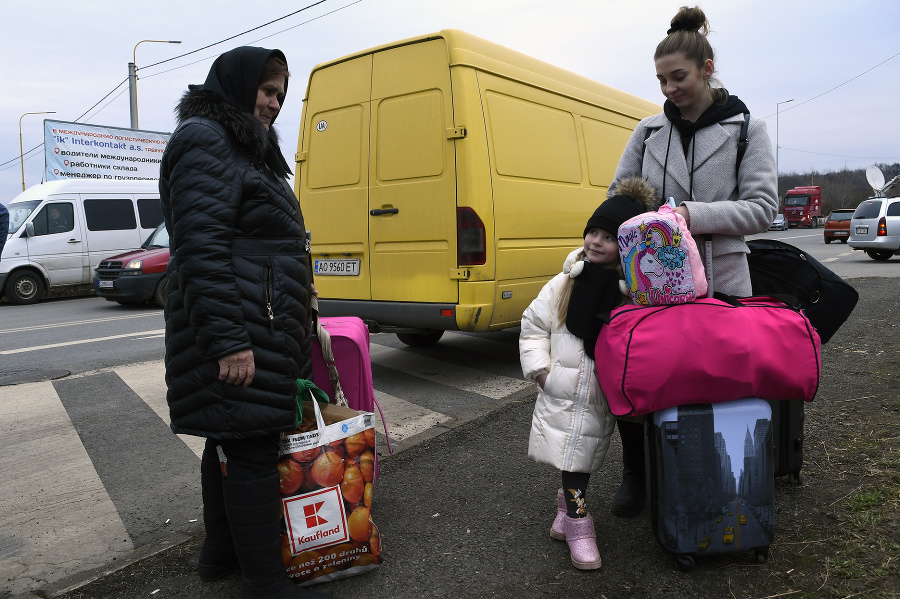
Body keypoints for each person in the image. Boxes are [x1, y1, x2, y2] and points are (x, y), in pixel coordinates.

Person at [159, 46, 332, 599]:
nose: (275, 103)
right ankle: (266, 584)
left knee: (228, 439)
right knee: (253, 448)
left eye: (281, 94)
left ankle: (221, 555)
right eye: (266, 90)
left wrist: (304, 305)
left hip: (261, 324)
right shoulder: (208, 141)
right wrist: (230, 342)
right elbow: (201, 251)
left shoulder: (245, 149)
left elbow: (269, 246)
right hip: (240, 330)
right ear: (237, 85)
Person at [606, 5, 778, 518]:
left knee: (721, 385)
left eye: (677, 76)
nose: (669, 89)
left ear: (706, 69)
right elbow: (618, 196)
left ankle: (728, 481)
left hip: (724, 276)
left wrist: (687, 215)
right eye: (661, 79)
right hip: (654, 284)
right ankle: (637, 472)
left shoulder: (749, 129)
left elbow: (763, 209)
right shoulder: (647, 131)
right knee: (643, 376)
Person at [520, 177, 655, 570]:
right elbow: (533, 325)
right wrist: (540, 371)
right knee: (574, 461)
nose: (595, 241)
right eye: (592, 232)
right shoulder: (565, 282)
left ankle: (566, 513)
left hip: (599, 395)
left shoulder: (629, 292)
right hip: (560, 389)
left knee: (582, 457)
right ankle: (580, 524)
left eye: (607, 236)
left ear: (624, 246)